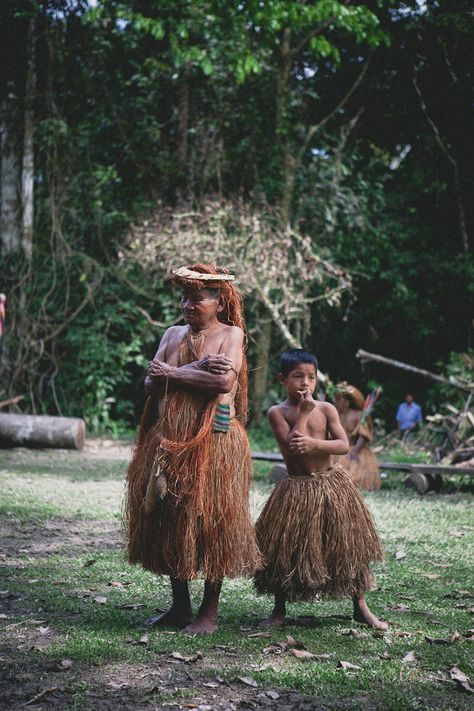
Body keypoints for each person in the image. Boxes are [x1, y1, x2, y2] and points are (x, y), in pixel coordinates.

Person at [126, 264, 261, 634]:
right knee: (170, 519)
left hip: (214, 444)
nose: (187, 304)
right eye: (184, 297)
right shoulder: (172, 333)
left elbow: (221, 380)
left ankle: (209, 613)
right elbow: (150, 381)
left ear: (219, 303)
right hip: (168, 440)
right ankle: (181, 608)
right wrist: (195, 367)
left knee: (212, 520)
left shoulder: (231, 335)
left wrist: (175, 372)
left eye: (197, 298)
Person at [254, 349, 387, 629]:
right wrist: (302, 414)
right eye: (297, 376)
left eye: (311, 377)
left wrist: (316, 444)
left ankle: (360, 606)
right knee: (285, 550)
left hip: (330, 485)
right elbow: (291, 448)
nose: (305, 383)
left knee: (348, 547)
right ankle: (279, 610)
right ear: (282, 379)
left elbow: (343, 445)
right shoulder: (277, 412)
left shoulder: (326, 409)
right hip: (296, 489)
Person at [333, 383, 381, 491]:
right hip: (340, 450)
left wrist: (354, 451)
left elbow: (363, 436)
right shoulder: (337, 415)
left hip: (354, 449)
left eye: (338, 400)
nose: (334, 402)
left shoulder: (358, 414)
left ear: (347, 402)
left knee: (349, 474)